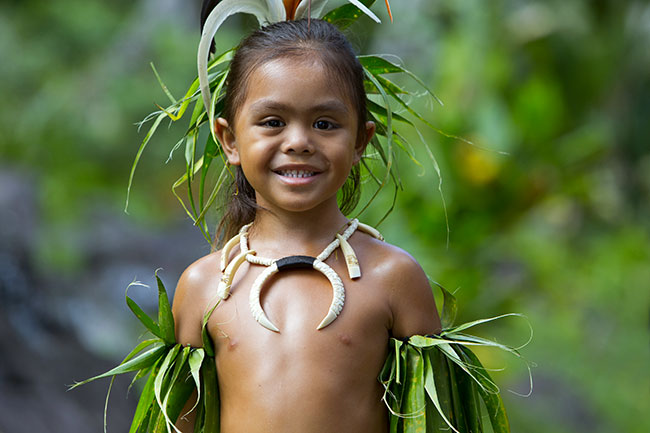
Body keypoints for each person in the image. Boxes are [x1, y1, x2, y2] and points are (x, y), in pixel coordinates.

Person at [171, 18, 441, 433]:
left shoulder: (393, 277)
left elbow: (434, 421)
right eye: (273, 122)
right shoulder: (205, 285)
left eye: (324, 124)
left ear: (359, 142)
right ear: (229, 140)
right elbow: (182, 423)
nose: (298, 141)